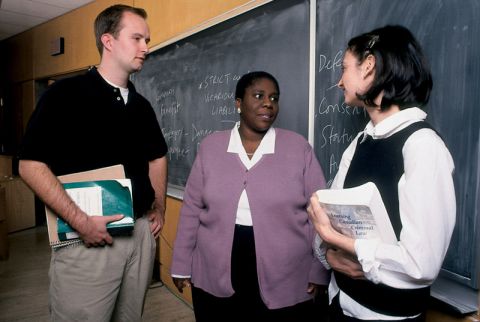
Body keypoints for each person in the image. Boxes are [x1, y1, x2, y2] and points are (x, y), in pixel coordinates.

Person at [17, 4, 168, 321]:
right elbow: (30, 165)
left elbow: (157, 156)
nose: (146, 47)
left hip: (140, 236)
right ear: (108, 41)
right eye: (138, 38)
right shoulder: (64, 95)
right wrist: (81, 221)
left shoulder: (141, 106)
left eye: (147, 40)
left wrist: (159, 207)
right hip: (88, 240)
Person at [308, 25, 456, 321]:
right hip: (340, 303)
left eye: (344, 68)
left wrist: (343, 245)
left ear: (369, 65)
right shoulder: (361, 141)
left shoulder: (422, 146)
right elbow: (331, 223)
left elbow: (421, 264)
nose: (339, 82)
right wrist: (331, 254)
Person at [171, 71, 329, 321]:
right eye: (258, 96)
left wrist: (320, 269)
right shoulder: (211, 147)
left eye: (274, 98)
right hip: (216, 268)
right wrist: (180, 264)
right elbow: (191, 209)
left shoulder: (298, 148)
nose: (268, 103)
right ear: (238, 103)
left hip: (287, 273)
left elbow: (322, 214)